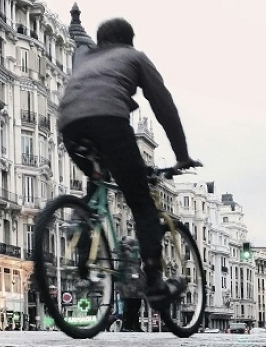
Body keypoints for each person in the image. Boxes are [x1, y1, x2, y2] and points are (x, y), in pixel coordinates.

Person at [57, 17, 200, 308]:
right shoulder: (134, 56)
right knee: (141, 203)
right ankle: (155, 284)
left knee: (95, 189)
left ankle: (82, 246)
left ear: (100, 41)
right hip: (108, 123)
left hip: (69, 127)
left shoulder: (84, 60)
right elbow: (164, 106)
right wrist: (182, 155)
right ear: (129, 40)